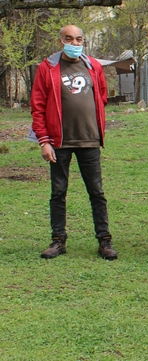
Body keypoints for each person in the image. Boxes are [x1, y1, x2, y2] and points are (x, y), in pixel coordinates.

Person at [31, 25, 118, 260]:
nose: (74, 42)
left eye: (79, 39)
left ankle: (105, 241)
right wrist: (44, 141)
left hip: (89, 140)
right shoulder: (47, 68)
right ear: (61, 41)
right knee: (58, 192)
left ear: (83, 41)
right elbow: (37, 106)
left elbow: (101, 96)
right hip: (59, 142)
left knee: (97, 192)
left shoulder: (94, 66)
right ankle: (58, 240)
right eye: (69, 38)